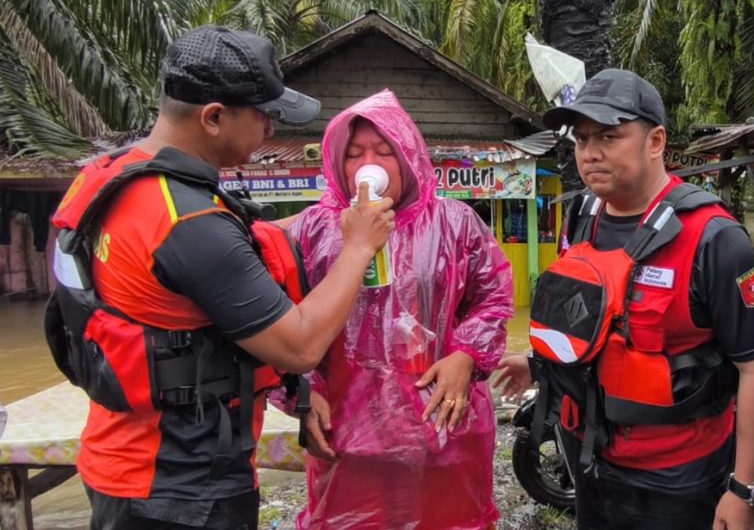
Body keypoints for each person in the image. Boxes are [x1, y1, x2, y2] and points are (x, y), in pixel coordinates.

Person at [45, 26, 395, 529]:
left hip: (115, 457)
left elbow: (202, 264)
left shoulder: (114, 175)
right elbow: (299, 347)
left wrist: (315, 222)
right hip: (181, 487)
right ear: (213, 118)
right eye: (264, 117)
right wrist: (359, 246)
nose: (270, 132)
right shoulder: (191, 227)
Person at [495, 69, 754, 530]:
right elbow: (596, 321)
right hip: (591, 460)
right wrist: (539, 364)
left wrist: (745, 488)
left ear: (655, 141)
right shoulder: (583, 215)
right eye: (582, 138)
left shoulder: (713, 238)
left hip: (678, 476)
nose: (590, 153)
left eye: (609, 136)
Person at [287, 90, 513, 529]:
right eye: (354, 154)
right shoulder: (315, 229)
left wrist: (466, 356)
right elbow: (284, 320)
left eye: (384, 150)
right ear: (338, 163)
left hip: (445, 428)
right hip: (348, 436)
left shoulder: (456, 222)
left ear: (409, 155)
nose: (368, 163)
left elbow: (493, 297)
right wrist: (302, 389)